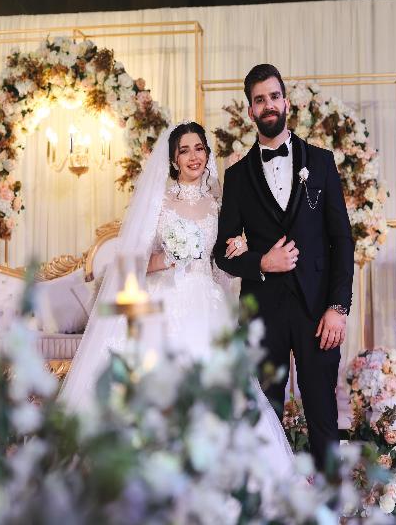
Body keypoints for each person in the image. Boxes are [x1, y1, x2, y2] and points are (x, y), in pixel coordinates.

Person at [58, 120, 294, 476]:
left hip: (208, 306)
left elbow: (220, 270)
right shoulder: (159, 203)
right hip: (162, 303)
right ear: (173, 160)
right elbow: (129, 265)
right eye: (184, 151)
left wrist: (237, 254)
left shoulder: (218, 205)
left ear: (208, 154)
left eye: (199, 148)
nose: (193, 156)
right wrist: (166, 259)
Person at [213, 64, 354, 470]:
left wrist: (338, 308)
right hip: (263, 315)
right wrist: (262, 262)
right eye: (259, 100)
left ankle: (327, 499)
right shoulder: (237, 177)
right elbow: (222, 253)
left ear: (286, 102)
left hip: (318, 312)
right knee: (265, 418)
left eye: (274, 96)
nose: (268, 105)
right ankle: (269, 499)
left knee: (323, 416)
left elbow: (342, 240)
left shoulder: (321, 162)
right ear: (250, 110)